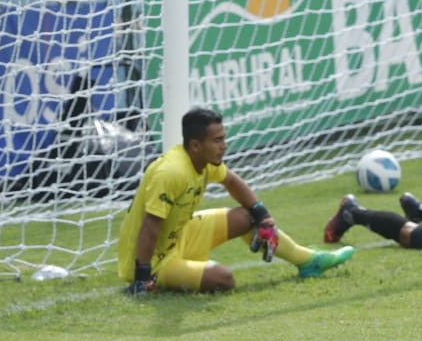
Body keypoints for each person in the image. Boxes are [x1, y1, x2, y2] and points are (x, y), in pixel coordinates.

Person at [117, 107, 353, 293]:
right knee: (224, 279)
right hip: (154, 259)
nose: (224, 146)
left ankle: (308, 261)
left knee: (247, 217)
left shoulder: (203, 161)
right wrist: (142, 276)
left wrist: (264, 217)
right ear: (196, 145)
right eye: (217, 140)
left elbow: (231, 181)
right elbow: (150, 225)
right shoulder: (171, 172)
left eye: (223, 138)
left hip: (180, 236)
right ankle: (159, 276)